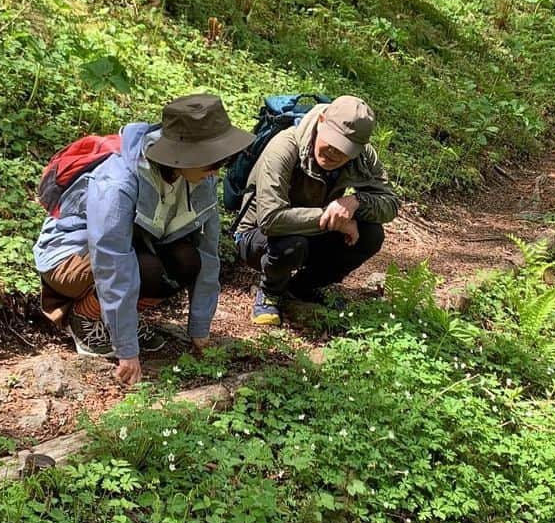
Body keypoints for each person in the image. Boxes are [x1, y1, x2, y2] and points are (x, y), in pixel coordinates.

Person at [33, 93, 254, 386]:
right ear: (183, 155)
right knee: (146, 268)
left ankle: (116, 321)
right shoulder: (118, 181)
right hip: (70, 258)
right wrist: (127, 350)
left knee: (188, 261)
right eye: (212, 161)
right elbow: (112, 260)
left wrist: (200, 328)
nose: (217, 170)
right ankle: (86, 321)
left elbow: (209, 254)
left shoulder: (202, 178)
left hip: (133, 248)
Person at [234, 95, 398, 326]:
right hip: (258, 235)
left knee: (372, 235)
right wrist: (332, 217)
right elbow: (270, 220)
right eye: (331, 143)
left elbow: (390, 204)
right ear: (321, 121)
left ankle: (302, 288)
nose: (334, 154)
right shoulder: (284, 146)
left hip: (311, 231)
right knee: (292, 244)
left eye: (344, 150)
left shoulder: (363, 156)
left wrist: (356, 202)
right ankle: (270, 291)